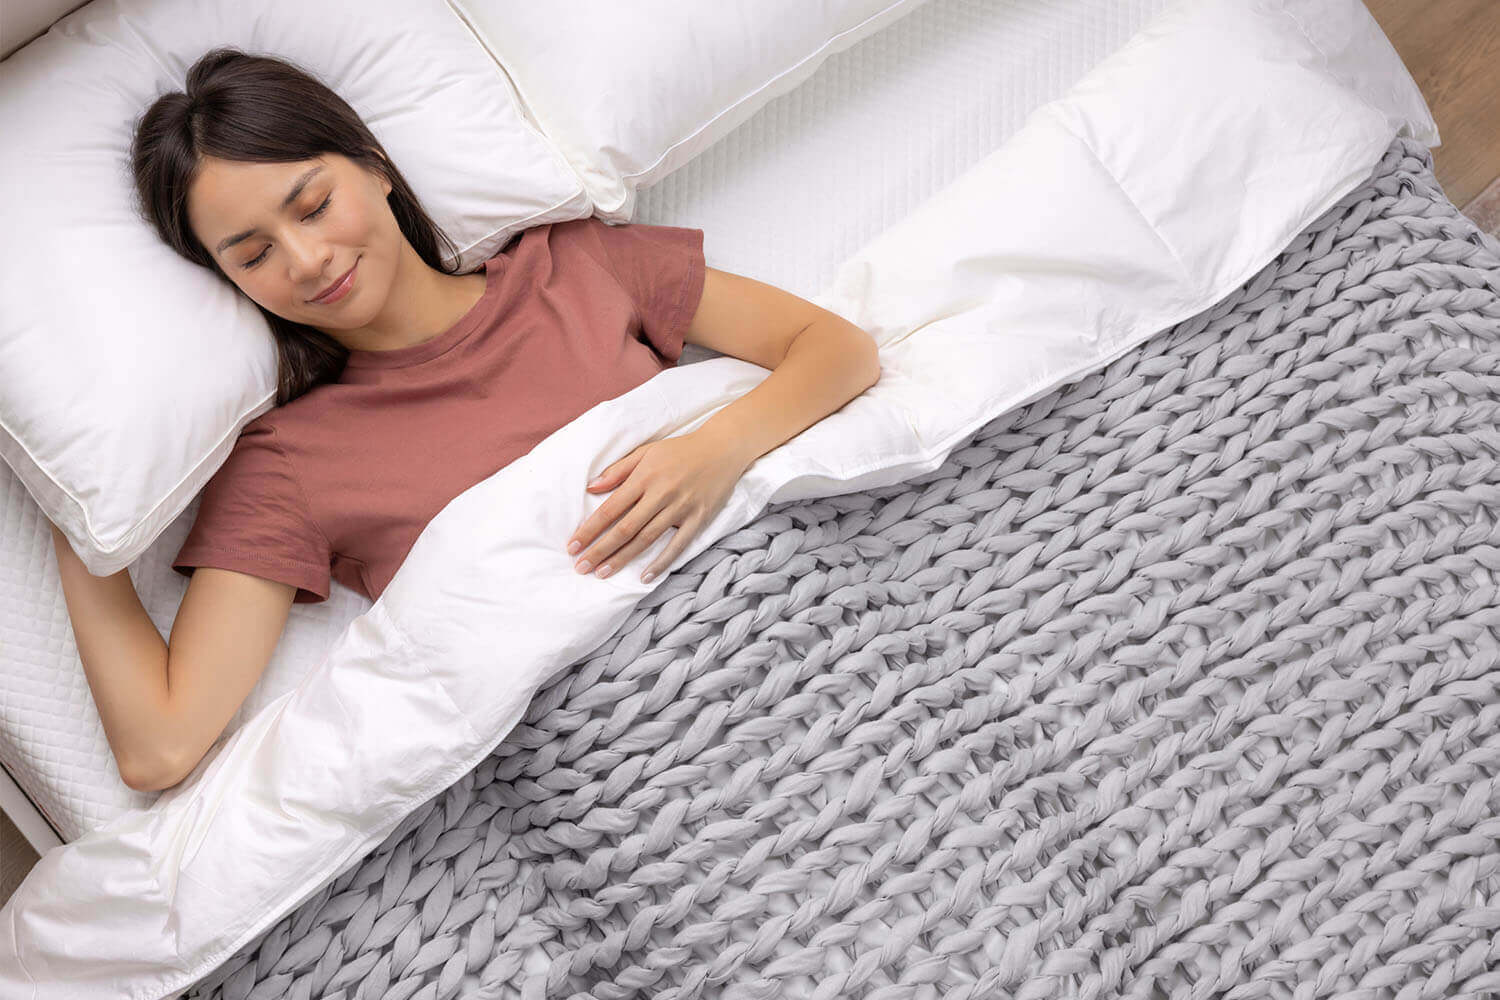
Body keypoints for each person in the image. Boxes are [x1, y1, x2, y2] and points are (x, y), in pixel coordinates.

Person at [48, 47, 881, 795]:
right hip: (620, 757)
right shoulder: (289, 463)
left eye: (311, 206)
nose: (306, 262)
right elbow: (160, 748)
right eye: (253, 254)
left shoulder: (579, 265)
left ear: (374, 166)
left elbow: (837, 350)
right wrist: (81, 514)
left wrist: (716, 449)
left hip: (816, 629)